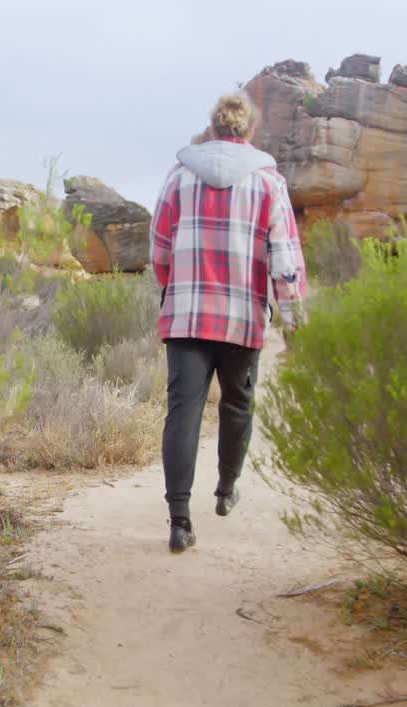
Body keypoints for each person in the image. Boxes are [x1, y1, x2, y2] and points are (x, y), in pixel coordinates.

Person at [149, 93, 305, 554]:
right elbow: (285, 259)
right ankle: (225, 489)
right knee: (237, 405)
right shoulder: (268, 184)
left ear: (214, 129)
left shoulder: (178, 178)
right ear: (249, 133)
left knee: (183, 413)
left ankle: (179, 520)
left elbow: (159, 247)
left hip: (185, 315)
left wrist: (172, 286)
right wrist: (292, 317)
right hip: (242, 315)